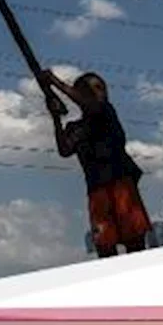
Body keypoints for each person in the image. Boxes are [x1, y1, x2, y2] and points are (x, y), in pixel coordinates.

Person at [39, 70, 151, 258]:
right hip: (97, 190)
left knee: (135, 244)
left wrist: (56, 83)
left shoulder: (106, 112)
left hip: (120, 184)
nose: (99, 92)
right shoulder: (76, 127)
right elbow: (65, 150)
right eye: (91, 88)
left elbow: (92, 106)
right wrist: (56, 118)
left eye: (100, 87)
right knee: (105, 247)